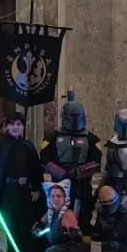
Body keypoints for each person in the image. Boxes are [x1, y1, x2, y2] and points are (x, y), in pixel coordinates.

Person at [0, 110, 44, 252]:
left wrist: (37, 188)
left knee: (25, 228)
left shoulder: (28, 146)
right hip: (7, 194)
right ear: (7, 127)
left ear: (23, 127)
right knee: (8, 228)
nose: (16, 127)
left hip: (24, 194)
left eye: (19, 124)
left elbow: (36, 169)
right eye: (12, 124)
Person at [41, 91, 101, 237]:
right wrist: (62, 173)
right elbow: (44, 160)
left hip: (82, 185)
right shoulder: (51, 138)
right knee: (58, 217)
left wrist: (80, 172)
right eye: (72, 117)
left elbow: (97, 162)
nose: (75, 120)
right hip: (60, 186)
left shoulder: (92, 139)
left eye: (78, 117)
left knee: (84, 219)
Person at [35, 186, 90, 252]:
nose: (55, 199)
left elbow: (76, 232)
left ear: (64, 198)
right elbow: (36, 229)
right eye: (53, 196)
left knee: (50, 251)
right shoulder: (49, 214)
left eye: (59, 196)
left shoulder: (67, 213)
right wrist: (38, 229)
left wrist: (73, 232)